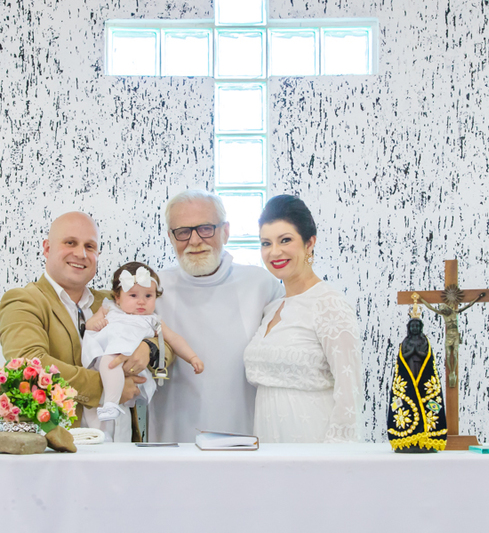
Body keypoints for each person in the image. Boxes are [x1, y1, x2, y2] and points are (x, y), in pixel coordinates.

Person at [0, 212, 169, 426]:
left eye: (89, 246)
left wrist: (148, 348)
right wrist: (108, 388)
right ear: (47, 248)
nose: (81, 254)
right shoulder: (24, 301)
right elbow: (29, 364)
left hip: (122, 441)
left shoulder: (115, 301)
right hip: (61, 444)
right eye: (70, 243)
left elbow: (164, 336)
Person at [148, 189, 283, 443]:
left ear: (226, 231)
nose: (195, 240)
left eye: (206, 228)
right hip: (173, 440)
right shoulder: (152, 290)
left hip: (247, 438)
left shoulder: (261, 285)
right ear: (170, 237)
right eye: (183, 232)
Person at [243, 195, 364, 443]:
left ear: (310, 243)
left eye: (285, 240)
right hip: (267, 442)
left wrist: (335, 456)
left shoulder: (329, 304)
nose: (274, 252)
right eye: (266, 243)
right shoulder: (271, 309)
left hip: (314, 444)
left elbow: (350, 391)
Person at [81, 261, 204, 437]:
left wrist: (192, 357)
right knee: (109, 362)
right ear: (117, 297)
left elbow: (174, 339)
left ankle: (111, 405)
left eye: (148, 296)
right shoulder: (108, 309)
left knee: (117, 430)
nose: (141, 301)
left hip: (131, 367)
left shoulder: (152, 320)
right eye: (133, 295)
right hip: (105, 359)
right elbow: (89, 326)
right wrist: (96, 323)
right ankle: (110, 403)